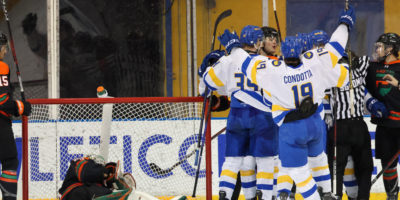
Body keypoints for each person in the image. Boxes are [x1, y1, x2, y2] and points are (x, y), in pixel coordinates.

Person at [218, 5, 355, 199]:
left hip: (291, 127)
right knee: (319, 159)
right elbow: (337, 48)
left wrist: (233, 47)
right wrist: (344, 25)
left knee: (294, 170)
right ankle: (325, 192)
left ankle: (288, 193)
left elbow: (246, 63)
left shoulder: (273, 70)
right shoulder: (315, 62)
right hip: (315, 122)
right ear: (301, 51)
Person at [199, 25, 279, 200]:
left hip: (236, 115)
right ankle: (264, 196)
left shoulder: (227, 61)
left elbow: (204, 87)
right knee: (264, 160)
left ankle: (224, 195)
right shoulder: (266, 62)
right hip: (262, 117)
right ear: (258, 43)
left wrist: (205, 68)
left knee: (233, 160)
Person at [365, 32, 400, 200]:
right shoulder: (372, 68)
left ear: (390, 49)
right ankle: (392, 196)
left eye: (380, 46)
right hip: (385, 126)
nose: (377, 50)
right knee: (388, 164)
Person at [0, 32, 32, 200]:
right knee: (10, 161)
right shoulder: (1, 67)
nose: (5, 52)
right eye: (4, 48)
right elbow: (2, 102)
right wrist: (21, 107)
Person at [59, 155, 134, 200]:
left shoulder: (101, 187)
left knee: (108, 193)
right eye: (99, 165)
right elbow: (86, 172)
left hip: (87, 194)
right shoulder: (81, 163)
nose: (100, 166)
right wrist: (106, 173)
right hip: (72, 194)